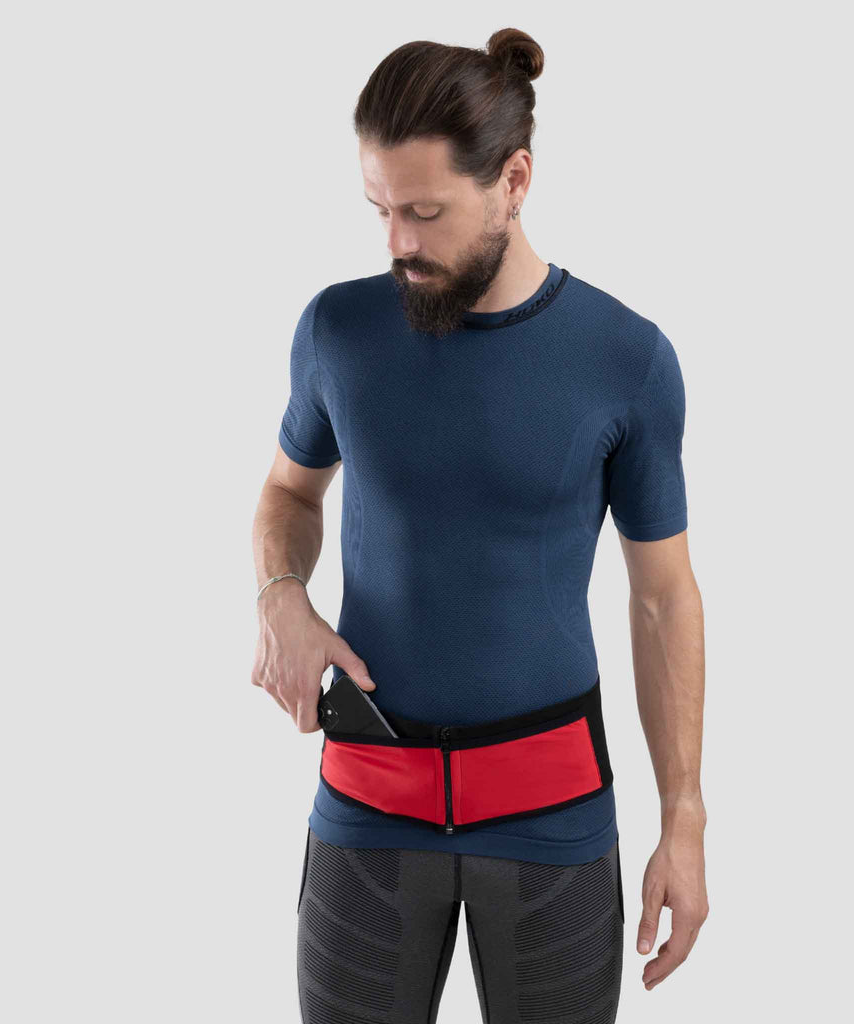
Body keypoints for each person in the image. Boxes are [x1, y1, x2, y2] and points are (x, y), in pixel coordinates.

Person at [251, 27, 708, 1023]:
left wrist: (684, 817)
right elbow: (288, 494)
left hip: (550, 810)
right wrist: (280, 594)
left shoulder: (625, 359)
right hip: (370, 801)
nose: (397, 244)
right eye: (379, 210)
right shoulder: (338, 331)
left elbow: (663, 598)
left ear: (514, 181)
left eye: (425, 212)